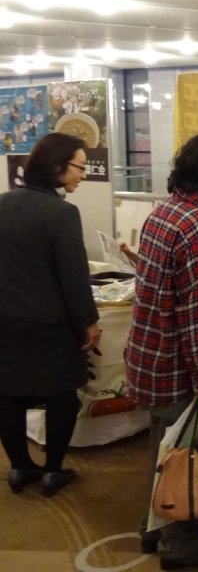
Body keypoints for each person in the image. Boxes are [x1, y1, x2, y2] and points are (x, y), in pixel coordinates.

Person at [125, 133, 198, 570]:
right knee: (186, 458)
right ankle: (182, 544)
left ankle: (153, 527)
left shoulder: (165, 211)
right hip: (179, 366)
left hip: (149, 355)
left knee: (164, 450)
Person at [0, 133, 101, 497]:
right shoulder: (62, 213)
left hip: (6, 320)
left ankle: (19, 467)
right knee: (61, 395)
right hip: (51, 324)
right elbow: (74, 277)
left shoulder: (3, 203)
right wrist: (89, 322)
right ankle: (53, 471)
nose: (84, 174)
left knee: (8, 393)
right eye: (80, 167)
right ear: (57, 167)